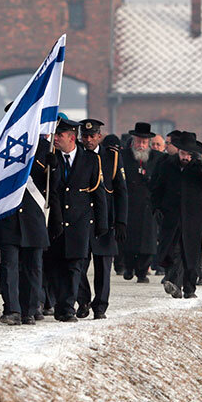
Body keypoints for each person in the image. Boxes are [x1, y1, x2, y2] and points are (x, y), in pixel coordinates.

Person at [46, 117, 107, 322]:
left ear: (71, 138)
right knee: (56, 267)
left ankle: (69, 308)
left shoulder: (90, 160)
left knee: (75, 268)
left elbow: (98, 193)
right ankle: (60, 305)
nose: (55, 139)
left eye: (60, 135)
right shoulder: (51, 158)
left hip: (80, 222)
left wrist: (102, 224)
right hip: (56, 221)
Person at [0, 133, 53, 325]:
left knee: (33, 267)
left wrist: (54, 166)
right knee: (9, 266)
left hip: (33, 216)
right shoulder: (0, 143)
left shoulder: (44, 146)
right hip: (8, 215)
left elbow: (53, 186)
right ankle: (12, 309)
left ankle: (29, 310)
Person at [150, 131, 202, 299]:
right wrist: (155, 208)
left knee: (191, 255)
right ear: (178, 151)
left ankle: (189, 288)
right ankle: (173, 283)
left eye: (188, 154)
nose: (185, 157)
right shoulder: (167, 165)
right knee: (173, 251)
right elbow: (157, 187)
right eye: (182, 153)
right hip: (172, 216)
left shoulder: (200, 168)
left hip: (193, 219)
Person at [76, 123, 127, 320]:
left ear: (99, 136)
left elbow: (121, 191)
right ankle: (83, 300)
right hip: (82, 217)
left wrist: (121, 220)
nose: (88, 140)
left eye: (92, 136)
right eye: (85, 136)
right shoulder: (78, 155)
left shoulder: (112, 157)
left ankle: (100, 306)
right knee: (78, 262)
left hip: (105, 218)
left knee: (103, 266)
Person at [120, 123, 163, 283]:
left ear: (149, 144)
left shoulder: (157, 159)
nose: (141, 145)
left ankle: (142, 272)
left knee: (148, 242)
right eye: (138, 142)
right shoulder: (124, 156)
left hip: (148, 206)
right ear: (133, 142)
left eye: (144, 143)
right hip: (129, 205)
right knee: (128, 239)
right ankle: (129, 267)